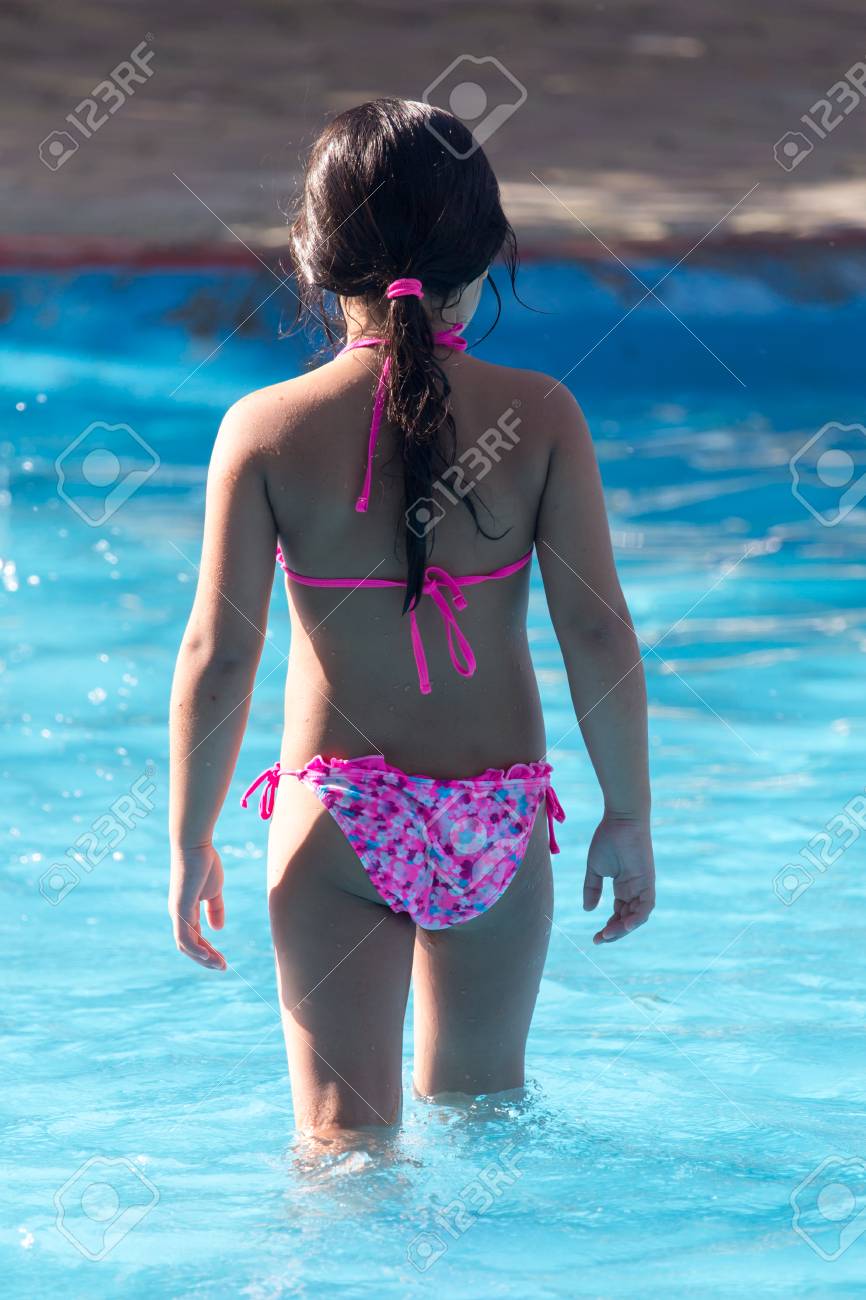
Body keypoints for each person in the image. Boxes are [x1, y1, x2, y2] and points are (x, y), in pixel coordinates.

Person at [168, 98, 654, 1136]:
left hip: (339, 820)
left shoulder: (260, 430)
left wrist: (189, 838)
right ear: (485, 258)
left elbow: (219, 658)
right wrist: (627, 811)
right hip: (498, 818)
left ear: (310, 259)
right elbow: (598, 633)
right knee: (485, 1124)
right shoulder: (542, 415)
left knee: (345, 1146)